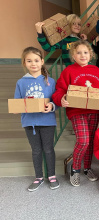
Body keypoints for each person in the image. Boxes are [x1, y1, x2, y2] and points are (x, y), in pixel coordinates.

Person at [52, 40, 99, 186]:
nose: (82, 55)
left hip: (93, 110)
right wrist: (62, 99)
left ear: (90, 54)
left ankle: (87, 168)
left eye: (85, 52)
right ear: (73, 55)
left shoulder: (96, 71)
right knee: (83, 140)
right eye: (78, 52)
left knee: (90, 141)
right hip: (77, 111)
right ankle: (75, 169)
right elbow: (59, 90)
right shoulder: (69, 71)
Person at [14, 47, 58, 191]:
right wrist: (16, 108)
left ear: (42, 62)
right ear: (24, 63)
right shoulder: (21, 82)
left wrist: (51, 105)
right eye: (29, 61)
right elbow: (17, 102)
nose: (33, 63)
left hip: (47, 122)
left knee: (49, 149)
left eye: (36, 60)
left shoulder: (50, 81)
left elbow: (56, 101)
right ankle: (38, 177)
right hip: (29, 123)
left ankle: (52, 175)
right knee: (36, 150)